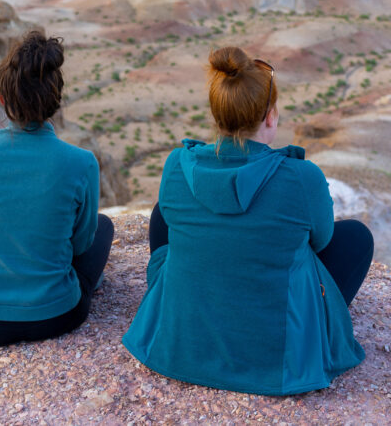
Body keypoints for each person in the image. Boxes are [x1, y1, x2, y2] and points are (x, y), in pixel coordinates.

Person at [123, 46, 373, 395]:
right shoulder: (302, 177)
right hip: (276, 352)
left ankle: (185, 305)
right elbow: (322, 240)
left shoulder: (177, 166)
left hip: (179, 346)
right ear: (270, 117)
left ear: (216, 115)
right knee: (356, 238)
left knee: (163, 215)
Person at [0, 30, 113, 346]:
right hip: (60, 316)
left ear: (2, 99)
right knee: (103, 227)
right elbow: (80, 246)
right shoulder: (82, 162)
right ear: (56, 101)